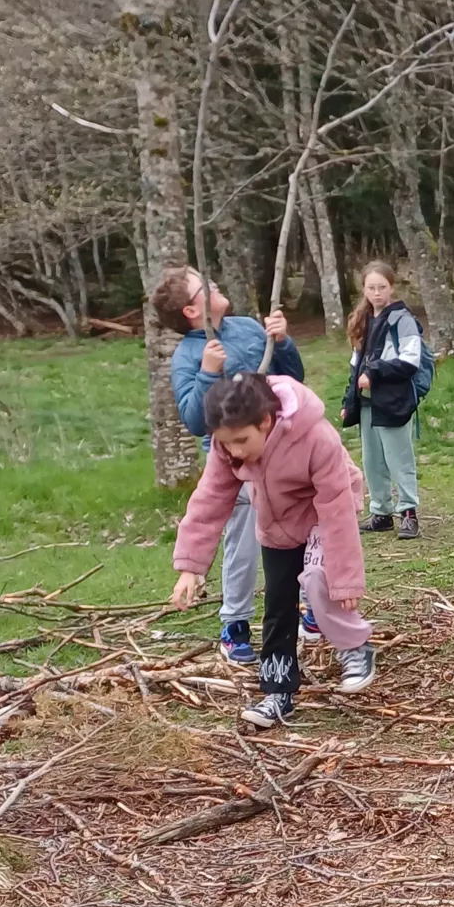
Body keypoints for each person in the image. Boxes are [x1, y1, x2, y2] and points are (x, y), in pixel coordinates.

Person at [171, 371, 374, 728]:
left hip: (324, 513)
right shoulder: (227, 447)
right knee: (278, 606)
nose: (235, 451)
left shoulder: (315, 437)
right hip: (277, 521)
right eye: (226, 443)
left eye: (242, 441)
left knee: (317, 579)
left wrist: (345, 580)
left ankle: (355, 646)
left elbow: (336, 510)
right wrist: (191, 565)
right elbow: (211, 499)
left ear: (266, 421)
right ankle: (277, 692)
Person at [155, 265, 305, 667]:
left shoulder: (247, 329)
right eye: (205, 286)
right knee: (243, 543)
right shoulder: (189, 355)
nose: (215, 284)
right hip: (233, 463)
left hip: (278, 451)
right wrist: (207, 373)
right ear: (192, 311)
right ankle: (234, 624)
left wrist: (282, 342)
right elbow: (194, 419)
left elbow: (292, 381)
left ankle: (309, 607)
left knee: (298, 529)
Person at [342, 261, 424, 540]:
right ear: (363, 289)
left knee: (399, 458)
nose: (376, 293)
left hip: (393, 400)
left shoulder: (402, 320)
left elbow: (410, 362)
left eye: (382, 287)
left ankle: (409, 513)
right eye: (371, 288)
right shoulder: (364, 320)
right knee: (373, 459)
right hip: (366, 402)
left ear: (392, 288)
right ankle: (381, 513)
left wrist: (375, 373)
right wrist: (348, 399)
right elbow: (356, 365)